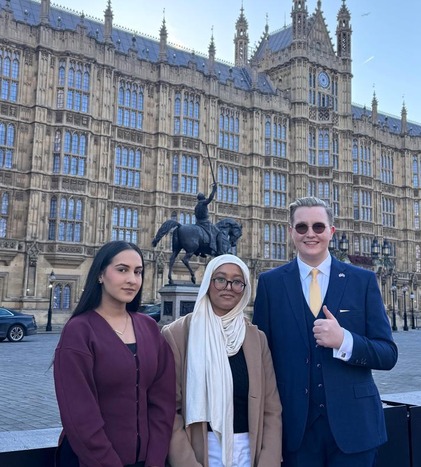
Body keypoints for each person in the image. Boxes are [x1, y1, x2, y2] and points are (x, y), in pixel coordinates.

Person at [253, 196, 398, 467]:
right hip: (295, 432)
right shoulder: (270, 284)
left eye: (318, 227)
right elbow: (262, 359)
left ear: (331, 232)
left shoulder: (362, 281)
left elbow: (388, 354)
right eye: (302, 227)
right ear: (290, 232)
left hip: (355, 430)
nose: (310, 234)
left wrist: (345, 341)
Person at [53, 241, 176, 467]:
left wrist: (155, 459)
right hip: (91, 461)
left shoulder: (149, 328)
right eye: (122, 270)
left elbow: (163, 404)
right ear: (100, 274)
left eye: (138, 272)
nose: (132, 279)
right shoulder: (79, 331)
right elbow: (80, 417)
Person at [162, 254, 282, 467]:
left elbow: (271, 409)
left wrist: (268, 461)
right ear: (208, 281)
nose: (228, 287)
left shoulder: (256, 338)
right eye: (220, 279)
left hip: (248, 451)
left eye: (237, 282)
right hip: (202, 451)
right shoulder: (178, 334)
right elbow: (171, 410)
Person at [195, 182, 223, 256]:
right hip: (205, 223)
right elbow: (210, 198)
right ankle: (216, 250)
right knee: (217, 232)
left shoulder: (197, 206)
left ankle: (202, 251)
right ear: (203, 198)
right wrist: (214, 189)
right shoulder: (204, 203)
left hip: (198, 223)